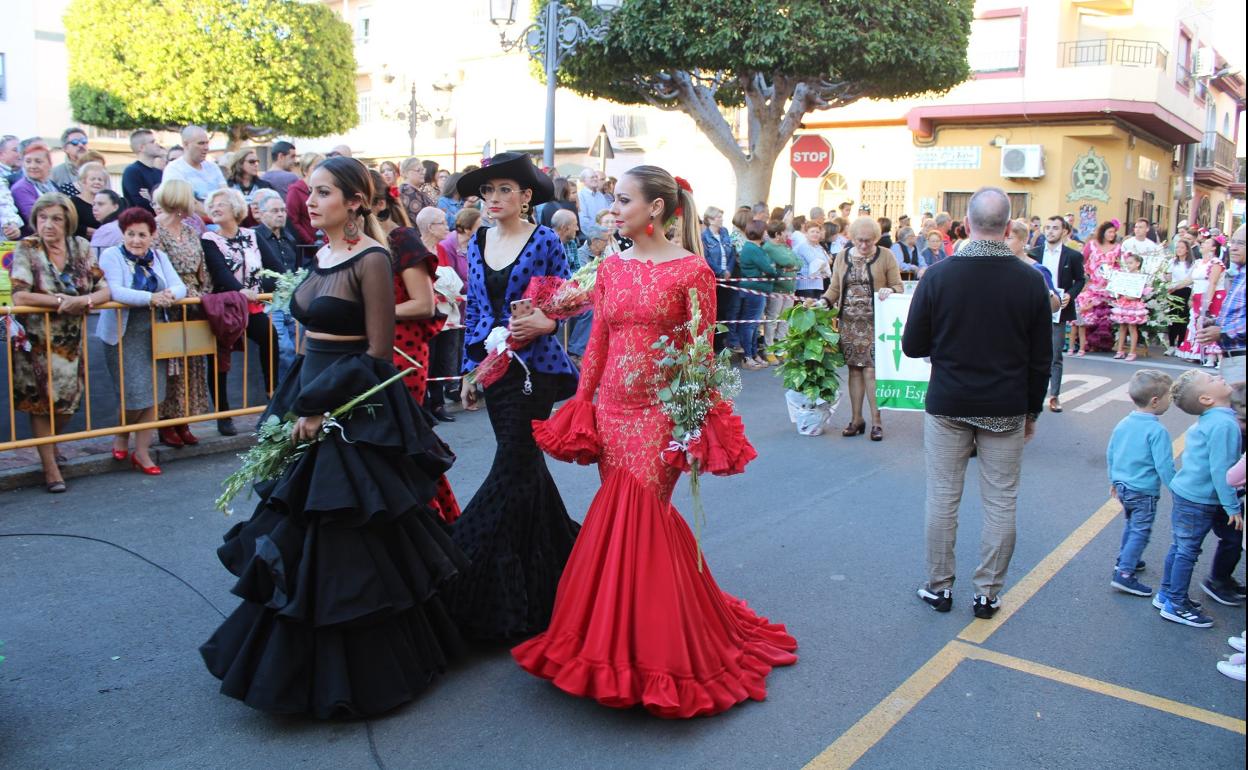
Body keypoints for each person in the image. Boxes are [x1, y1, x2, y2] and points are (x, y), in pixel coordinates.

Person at [514, 164, 797, 718]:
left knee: (639, 517)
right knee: (621, 519)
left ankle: (657, 651)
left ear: (657, 209)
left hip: (661, 414)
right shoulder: (613, 267)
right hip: (614, 413)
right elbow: (597, 343)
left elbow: (699, 351)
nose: (613, 209)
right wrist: (583, 404)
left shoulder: (693, 270)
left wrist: (694, 420)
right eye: (613, 200)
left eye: (623, 201)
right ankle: (613, 641)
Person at [200, 155, 465, 717]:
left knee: (346, 528)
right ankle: (293, 661)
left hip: (349, 405)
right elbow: (307, 331)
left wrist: (324, 408)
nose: (311, 201)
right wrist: (299, 397)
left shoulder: (372, 257)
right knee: (299, 524)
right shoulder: (320, 254)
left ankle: (364, 667)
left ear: (356, 202)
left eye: (323, 192)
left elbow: (375, 351)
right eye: (309, 192)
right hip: (308, 392)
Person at [447, 151, 581, 641]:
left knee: (511, 465)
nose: (494, 199)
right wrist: (470, 370)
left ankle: (459, 568)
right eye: (488, 191)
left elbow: (565, 298)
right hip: (496, 368)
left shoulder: (544, 239)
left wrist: (546, 321)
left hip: (535, 372)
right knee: (526, 472)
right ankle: (566, 567)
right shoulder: (478, 239)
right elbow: (476, 310)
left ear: (526, 197)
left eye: (505, 190)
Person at [902, 186, 1052, 618]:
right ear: (1008, 227)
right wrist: (1032, 411)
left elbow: (913, 345)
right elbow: (1042, 357)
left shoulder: (939, 276)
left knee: (942, 497)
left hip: (949, 401)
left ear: (966, 225)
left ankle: (938, 586)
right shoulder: (1029, 280)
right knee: (1001, 500)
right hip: (1005, 405)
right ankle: (987, 593)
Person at [9, 193, 112, 492]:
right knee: (42, 404)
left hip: (70, 342)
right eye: (42, 218)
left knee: (67, 404)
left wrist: (83, 300)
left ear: (67, 220)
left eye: (55, 218)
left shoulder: (80, 246)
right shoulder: (28, 247)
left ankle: (49, 445)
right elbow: (21, 295)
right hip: (37, 341)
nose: (48, 224)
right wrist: (59, 301)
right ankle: (50, 468)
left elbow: (104, 289)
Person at [96, 207, 187, 474]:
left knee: (154, 395)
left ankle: (143, 452)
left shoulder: (158, 256)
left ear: (152, 235)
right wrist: (151, 298)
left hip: (154, 331)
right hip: (123, 333)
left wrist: (170, 294)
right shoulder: (112, 256)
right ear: (123, 234)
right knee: (133, 395)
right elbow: (116, 290)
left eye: (142, 235)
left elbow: (179, 285)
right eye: (131, 234)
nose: (136, 240)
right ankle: (122, 433)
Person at [1156, 370, 1242, 627]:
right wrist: (1231, 506)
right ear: (1206, 398)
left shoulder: (1215, 419)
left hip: (1189, 493)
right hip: (1200, 499)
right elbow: (1222, 471)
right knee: (1187, 550)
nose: (1219, 376)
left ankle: (1167, 594)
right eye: (1212, 380)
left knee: (1181, 547)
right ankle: (1176, 604)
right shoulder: (1223, 424)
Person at [201, 188, 282, 435]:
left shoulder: (253, 235)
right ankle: (223, 414)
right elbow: (220, 272)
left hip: (253, 305)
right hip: (225, 307)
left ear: (235, 208)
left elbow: (275, 269)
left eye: (221, 204)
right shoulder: (209, 238)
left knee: (271, 340)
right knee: (220, 358)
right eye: (212, 204)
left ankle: (274, 401)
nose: (215, 208)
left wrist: (258, 288)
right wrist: (241, 290)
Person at [822, 216, 903, 440]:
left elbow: (898, 285)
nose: (864, 245)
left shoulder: (886, 256)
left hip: (876, 323)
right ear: (852, 238)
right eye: (859, 240)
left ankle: (877, 422)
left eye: (869, 241)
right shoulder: (841, 257)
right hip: (849, 322)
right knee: (854, 369)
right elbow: (835, 288)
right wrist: (823, 302)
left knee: (871, 370)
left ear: (876, 238)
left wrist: (891, 291)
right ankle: (856, 419)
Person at [152, 180, 212, 448]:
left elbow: (202, 268)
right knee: (171, 367)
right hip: (170, 306)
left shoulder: (190, 231)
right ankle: (166, 422)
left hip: (194, 303)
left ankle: (183, 420)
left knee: (191, 366)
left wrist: (204, 296)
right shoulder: (155, 230)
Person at [1106, 370, 1176, 596]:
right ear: (1155, 401)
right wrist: (1176, 488)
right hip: (1143, 490)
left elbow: (1112, 453)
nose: (1170, 401)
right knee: (1141, 530)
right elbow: (1164, 466)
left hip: (1124, 486)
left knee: (1131, 524)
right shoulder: (1157, 430)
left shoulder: (1124, 423)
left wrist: (1113, 480)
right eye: (1169, 397)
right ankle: (1124, 573)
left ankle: (1125, 559)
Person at [1030, 215, 1085, 413]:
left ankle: (1054, 395)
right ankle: (1032, 393)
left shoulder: (1073, 256)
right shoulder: (1034, 254)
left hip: (1059, 309)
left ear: (1064, 231)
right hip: (1035, 309)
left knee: (1055, 354)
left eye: (1055, 228)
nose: (1050, 231)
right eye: (1048, 227)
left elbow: (1080, 280)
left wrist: (1070, 295)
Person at [413, 206, 458, 423]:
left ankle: (438, 403)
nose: (447, 225)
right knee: (427, 359)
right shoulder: (417, 249)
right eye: (442, 222)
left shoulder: (441, 248)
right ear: (430, 226)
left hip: (446, 311)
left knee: (442, 358)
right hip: (426, 314)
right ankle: (422, 405)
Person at [254, 187, 304, 381]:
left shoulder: (289, 237)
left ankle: (294, 392)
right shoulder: (254, 237)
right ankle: (282, 395)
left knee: (299, 347)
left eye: (283, 210)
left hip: (291, 301)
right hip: (269, 301)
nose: (281, 214)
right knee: (283, 348)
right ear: (261, 214)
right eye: (275, 211)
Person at [1195, 224, 1246, 385]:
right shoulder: (1241, 273)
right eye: (1233, 242)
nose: (1234, 248)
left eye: (1242, 244)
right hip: (1232, 357)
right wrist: (1213, 322)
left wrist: (1222, 331)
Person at [1177, 237, 1227, 368]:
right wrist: (1173, 287)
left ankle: (1215, 357)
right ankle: (1197, 353)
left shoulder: (1216, 263)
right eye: (1203, 242)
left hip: (1213, 297)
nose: (1203, 244)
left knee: (1208, 323)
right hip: (1198, 296)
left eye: (1206, 243)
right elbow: (1189, 280)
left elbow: (1213, 283)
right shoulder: (1199, 262)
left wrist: (1207, 303)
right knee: (1196, 323)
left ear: (1213, 248)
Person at [1071, 221, 1118, 357]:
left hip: (1108, 286)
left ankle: (1102, 344)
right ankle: (1085, 343)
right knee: (1087, 312)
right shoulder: (1092, 245)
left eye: (1114, 232)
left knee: (1104, 315)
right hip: (1091, 284)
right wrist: (1083, 278)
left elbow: (1120, 265)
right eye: (1109, 231)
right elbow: (1082, 261)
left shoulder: (1117, 247)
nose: (1112, 234)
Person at [737, 220, 777, 370]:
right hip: (754, 291)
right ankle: (748, 356)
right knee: (750, 324)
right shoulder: (752, 248)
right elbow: (769, 268)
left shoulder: (755, 248)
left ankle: (754, 354)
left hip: (758, 290)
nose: (767, 233)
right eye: (765, 231)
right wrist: (767, 271)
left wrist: (767, 271)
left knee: (754, 325)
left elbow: (768, 268)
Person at [161, 126, 226, 214]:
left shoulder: (213, 167)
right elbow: (185, 203)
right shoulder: (174, 169)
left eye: (207, 143)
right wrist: (213, 215)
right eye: (201, 143)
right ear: (186, 144)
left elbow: (225, 194)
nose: (206, 147)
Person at [761, 220, 800, 362]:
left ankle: (781, 347)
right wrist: (790, 265)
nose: (787, 234)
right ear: (778, 234)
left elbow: (798, 262)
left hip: (790, 288)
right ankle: (769, 348)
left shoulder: (785, 246)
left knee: (785, 319)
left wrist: (792, 266)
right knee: (773, 318)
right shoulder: (769, 247)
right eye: (785, 232)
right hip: (777, 289)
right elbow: (788, 262)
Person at [701, 206, 738, 352]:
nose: (721, 219)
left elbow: (731, 253)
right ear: (710, 219)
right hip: (714, 279)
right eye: (718, 217)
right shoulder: (704, 237)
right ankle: (714, 345)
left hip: (727, 278)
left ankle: (722, 343)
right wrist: (720, 271)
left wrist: (728, 269)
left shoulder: (725, 233)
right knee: (715, 311)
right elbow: (706, 258)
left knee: (726, 311)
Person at [1007, 219, 1061, 313]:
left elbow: (1055, 307)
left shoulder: (1037, 270)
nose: (1003, 243)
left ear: (1024, 240)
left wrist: (1045, 291)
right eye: (1001, 239)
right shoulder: (998, 267)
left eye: (1009, 238)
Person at [11, 140, 59, 231]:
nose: (32, 166)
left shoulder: (52, 185)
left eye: (38, 161)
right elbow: (35, 218)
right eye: (28, 161)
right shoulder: (21, 188)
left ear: (50, 164)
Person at [1110, 253, 1149, 361]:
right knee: (1122, 327)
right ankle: (1120, 350)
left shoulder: (1140, 277)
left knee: (1132, 328)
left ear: (1138, 264)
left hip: (1133, 305)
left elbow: (1140, 292)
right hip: (1123, 302)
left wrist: (1132, 296)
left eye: (1131, 263)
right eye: (1127, 263)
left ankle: (1132, 352)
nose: (1128, 265)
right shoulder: (1124, 276)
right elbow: (1118, 288)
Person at [285, 152, 324, 246]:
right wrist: (310, 241)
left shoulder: (324, 189)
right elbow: (292, 221)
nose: (321, 171)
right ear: (305, 170)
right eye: (316, 167)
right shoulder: (295, 191)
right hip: (307, 246)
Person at [121, 130, 165, 213]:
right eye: (152, 142)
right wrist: (155, 201)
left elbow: (168, 201)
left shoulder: (160, 173)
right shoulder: (132, 172)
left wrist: (151, 199)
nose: (157, 145)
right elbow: (140, 203)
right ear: (141, 148)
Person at [1166, 239, 1196, 355]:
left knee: (1183, 319)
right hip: (1173, 292)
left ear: (1187, 250)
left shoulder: (1193, 264)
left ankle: (1180, 344)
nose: (1179, 250)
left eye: (1182, 247)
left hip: (1185, 291)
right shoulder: (1172, 262)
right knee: (1172, 318)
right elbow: (1168, 276)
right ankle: (1171, 344)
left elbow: (1190, 280)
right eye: (1177, 247)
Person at [69, 162, 110, 239]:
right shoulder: (73, 202)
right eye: (93, 179)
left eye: (100, 180)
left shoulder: (108, 203)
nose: (97, 182)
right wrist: (97, 232)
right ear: (83, 181)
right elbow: (71, 226)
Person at [225, 147, 273, 211]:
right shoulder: (227, 186)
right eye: (251, 162)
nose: (256, 164)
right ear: (240, 163)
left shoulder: (264, 186)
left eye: (257, 162)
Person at [793, 219, 830, 299]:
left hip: (818, 284)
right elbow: (815, 262)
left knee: (815, 310)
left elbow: (827, 262)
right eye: (812, 232)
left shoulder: (819, 247)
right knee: (806, 310)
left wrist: (823, 264)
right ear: (806, 233)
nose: (815, 234)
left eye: (817, 232)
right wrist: (823, 265)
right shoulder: (803, 246)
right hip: (805, 285)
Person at [398, 157, 435, 230]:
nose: (423, 173)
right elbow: (421, 221)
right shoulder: (408, 192)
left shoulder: (412, 190)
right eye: (418, 170)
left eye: (423, 169)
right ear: (406, 173)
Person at [576, 168, 609, 233]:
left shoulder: (600, 195)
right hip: (592, 236)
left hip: (605, 234)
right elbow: (584, 222)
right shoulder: (580, 196)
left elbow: (608, 214)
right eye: (592, 177)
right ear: (584, 180)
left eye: (596, 177)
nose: (595, 179)